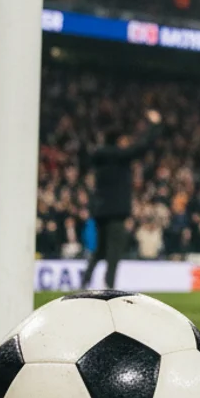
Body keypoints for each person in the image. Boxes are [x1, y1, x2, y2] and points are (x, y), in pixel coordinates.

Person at [83, 110, 161, 289]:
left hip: (100, 211)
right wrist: (154, 126)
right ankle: (109, 285)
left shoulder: (99, 157)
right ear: (118, 141)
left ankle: (85, 279)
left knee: (100, 250)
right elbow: (142, 146)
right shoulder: (119, 157)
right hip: (116, 211)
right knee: (114, 251)